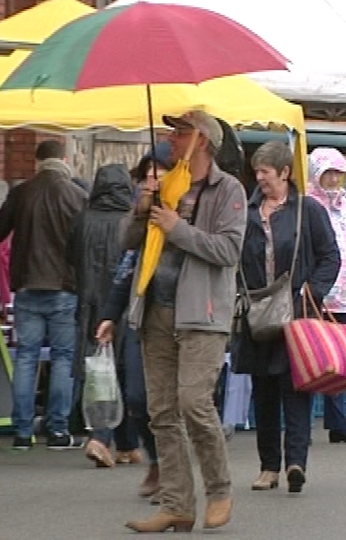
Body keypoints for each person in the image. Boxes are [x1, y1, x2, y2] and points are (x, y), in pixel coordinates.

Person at [122, 110, 246, 533]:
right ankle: (177, 503)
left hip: (202, 313)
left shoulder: (227, 189)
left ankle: (220, 489)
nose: (171, 139)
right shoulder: (165, 184)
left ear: (202, 141)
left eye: (180, 133)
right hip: (156, 308)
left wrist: (177, 228)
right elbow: (126, 242)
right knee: (161, 412)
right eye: (172, 131)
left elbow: (228, 251)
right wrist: (142, 208)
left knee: (194, 403)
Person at [232, 140, 340, 494]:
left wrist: (313, 292)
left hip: (296, 312)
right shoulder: (246, 212)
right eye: (257, 171)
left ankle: (296, 462)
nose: (260, 178)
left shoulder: (307, 210)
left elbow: (330, 257)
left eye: (266, 172)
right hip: (257, 313)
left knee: (296, 388)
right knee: (262, 391)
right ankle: (267, 467)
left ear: (285, 173)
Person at [0, 139, 87, 450]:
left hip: (28, 287)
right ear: (65, 159)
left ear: (37, 161)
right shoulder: (77, 195)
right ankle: (57, 430)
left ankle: (21, 432)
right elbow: (85, 244)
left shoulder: (21, 192)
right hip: (64, 287)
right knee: (62, 359)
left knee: (27, 359)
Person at [93, 144, 174, 500]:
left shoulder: (189, 211)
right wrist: (110, 315)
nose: (151, 180)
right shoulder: (138, 217)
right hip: (142, 316)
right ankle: (156, 460)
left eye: (159, 172)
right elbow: (124, 270)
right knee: (139, 398)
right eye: (146, 174)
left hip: (182, 318)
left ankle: (175, 475)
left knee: (177, 404)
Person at [67, 163, 135, 468]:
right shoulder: (129, 221)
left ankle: (125, 443)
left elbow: (70, 257)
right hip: (121, 305)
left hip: (88, 301)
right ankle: (102, 438)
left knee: (100, 370)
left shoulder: (82, 220)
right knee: (120, 372)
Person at [306, 147, 346, 444]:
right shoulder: (308, 205)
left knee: (341, 359)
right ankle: (302, 423)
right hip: (317, 292)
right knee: (311, 357)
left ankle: (338, 422)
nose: (332, 180)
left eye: (337, 173)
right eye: (327, 173)